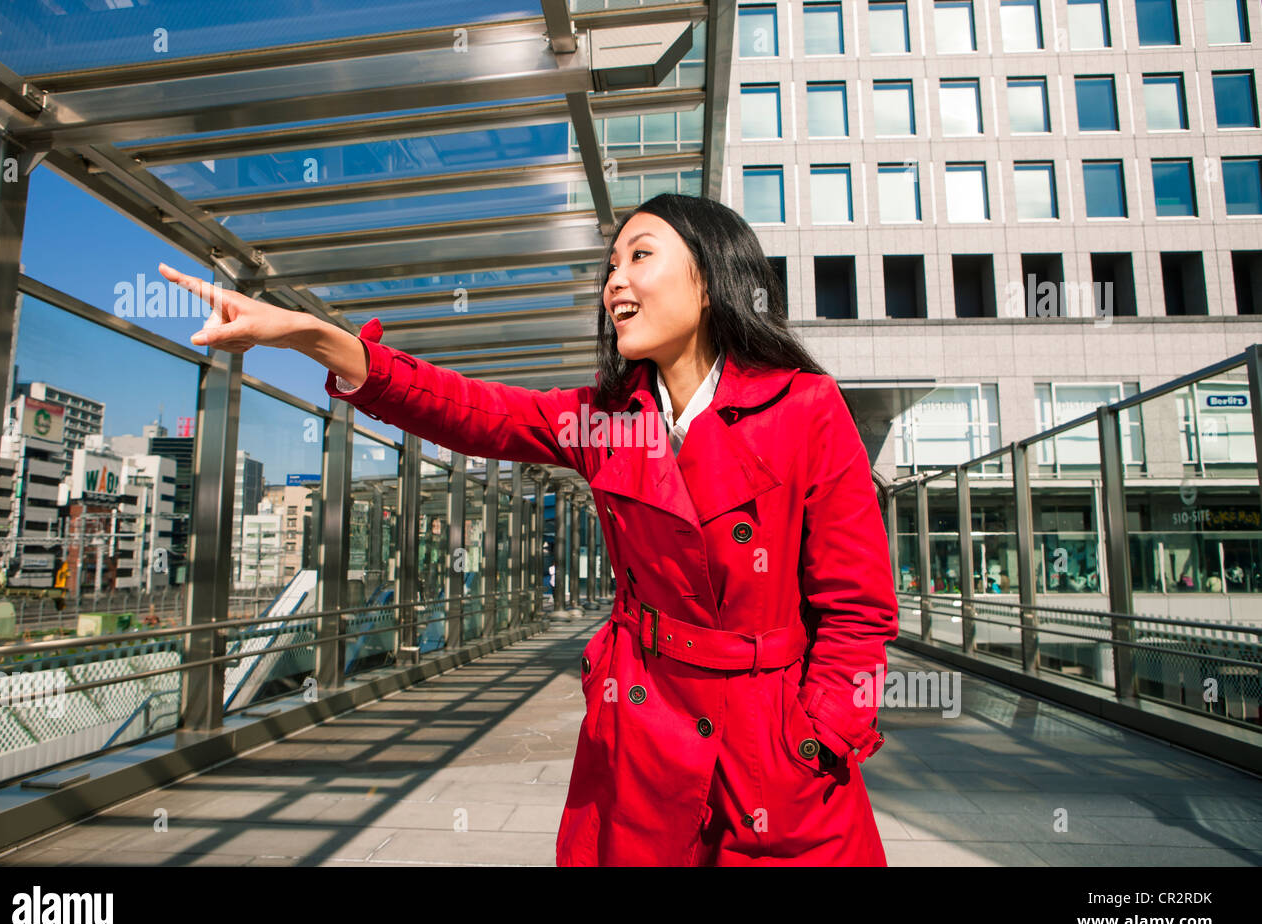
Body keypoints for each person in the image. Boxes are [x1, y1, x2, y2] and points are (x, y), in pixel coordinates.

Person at [158, 192, 898, 866]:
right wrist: (314, 338)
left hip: (772, 746)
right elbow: (473, 409)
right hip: (644, 732)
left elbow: (859, 610)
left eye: (641, 256)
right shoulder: (605, 421)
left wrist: (821, 737)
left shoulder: (804, 407)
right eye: (611, 266)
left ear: (711, 278)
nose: (615, 284)